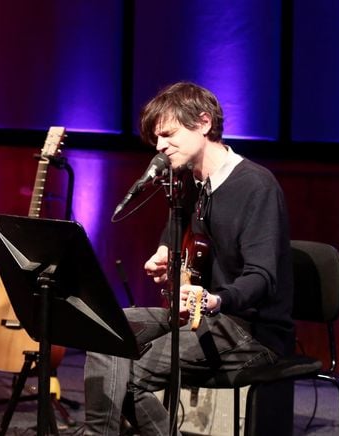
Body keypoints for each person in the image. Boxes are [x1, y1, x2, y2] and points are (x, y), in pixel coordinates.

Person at [83, 81, 294, 435]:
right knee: (107, 328)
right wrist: (165, 252)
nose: (160, 147)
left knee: (132, 376)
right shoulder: (188, 181)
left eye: (168, 134)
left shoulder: (257, 186)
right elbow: (177, 230)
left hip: (251, 330)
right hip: (200, 318)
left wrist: (215, 299)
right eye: (156, 140)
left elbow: (262, 277)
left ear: (204, 123)